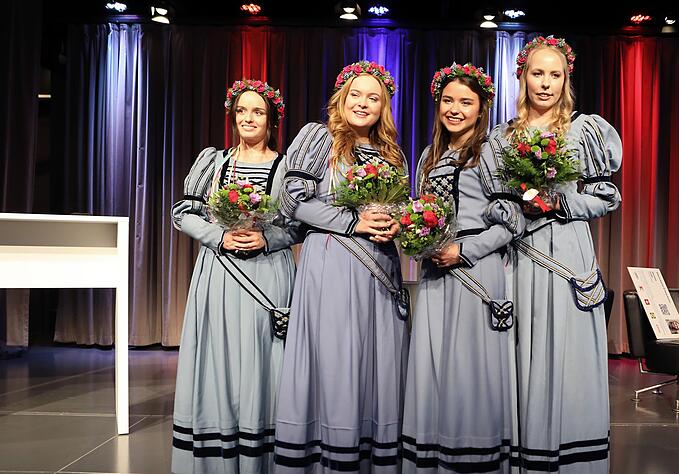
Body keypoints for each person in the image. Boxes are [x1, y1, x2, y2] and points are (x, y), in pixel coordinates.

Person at [491, 36, 623, 472]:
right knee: (521, 353)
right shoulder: (502, 137)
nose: (545, 84)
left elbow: (608, 197)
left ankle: (569, 457)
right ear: (522, 76)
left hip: (566, 254)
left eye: (554, 75)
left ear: (566, 79)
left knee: (566, 357)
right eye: (537, 73)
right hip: (518, 255)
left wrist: (560, 204)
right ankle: (526, 451)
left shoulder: (583, 130)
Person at [273, 61, 409, 472]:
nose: (363, 103)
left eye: (373, 97)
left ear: (383, 106)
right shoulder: (319, 138)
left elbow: (400, 206)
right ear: (341, 99)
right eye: (356, 95)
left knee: (376, 359)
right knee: (335, 359)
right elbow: (292, 199)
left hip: (380, 269)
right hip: (331, 263)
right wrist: (353, 221)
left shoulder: (391, 152)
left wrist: (396, 224)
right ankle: (329, 454)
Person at [401, 63, 525, 473]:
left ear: (481, 108)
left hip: (475, 271)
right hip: (436, 274)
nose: (455, 109)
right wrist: (419, 244)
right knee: (435, 366)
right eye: (448, 101)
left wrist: (465, 249)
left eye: (465, 102)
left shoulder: (491, 150)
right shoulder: (429, 155)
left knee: (470, 370)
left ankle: (472, 459)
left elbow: (512, 220)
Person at [171, 79, 298, 474]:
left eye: (257, 111)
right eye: (242, 110)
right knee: (220, 358)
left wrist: (266, 238)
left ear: (271, 119)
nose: (248, 118)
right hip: (220, 275)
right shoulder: (213, 163)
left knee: (266, 361)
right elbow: (182, 213)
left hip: (268, 275)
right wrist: (220, 236)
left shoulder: (285, 168)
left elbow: (298, 227)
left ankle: (265, 457)